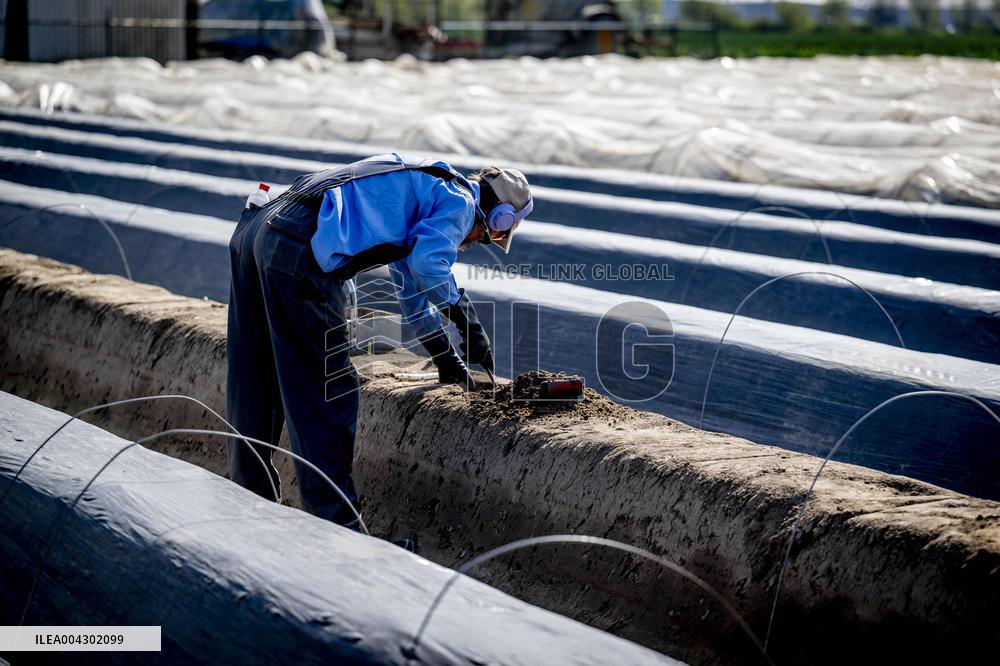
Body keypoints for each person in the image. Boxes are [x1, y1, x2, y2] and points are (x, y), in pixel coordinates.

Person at [225, 153, 533, 531]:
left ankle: (248, 506)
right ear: (498, 220)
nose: (479, 241)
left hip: (258, 226)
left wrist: (446, 359)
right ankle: (339, 529)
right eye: (495, 236)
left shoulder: (429, 184)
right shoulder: (459, 202)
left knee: (256, 374)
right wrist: (464, 318)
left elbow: (412, 288)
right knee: (328, 389)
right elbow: (428, 267)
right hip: (296, 245)